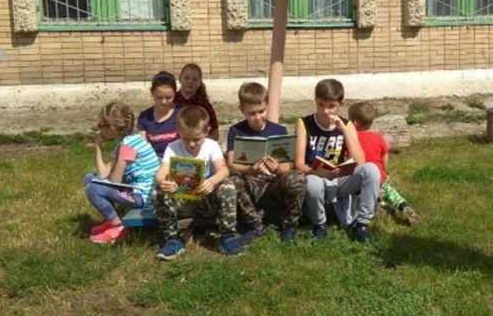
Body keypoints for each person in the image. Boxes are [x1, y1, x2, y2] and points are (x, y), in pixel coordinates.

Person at [153, 105, 249, 260]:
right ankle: (172, 239)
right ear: (178, 131)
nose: (191, 144)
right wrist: (164, 181)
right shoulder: (173, 147)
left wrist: (211, 181)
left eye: (196, 139)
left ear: (206, 131)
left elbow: (224, 170)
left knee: (227, 185)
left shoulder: (211, 145)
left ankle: (227, 236)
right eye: (186, 138)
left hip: (206, 200)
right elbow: (160, 173)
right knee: (158, 191)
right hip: (183, 201)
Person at [294, 78, 381, 242]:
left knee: (372, 170)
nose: (325, 111)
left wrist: (344, 130)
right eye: (321, 105)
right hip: (316, 175)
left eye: (331, 106)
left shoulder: (346, 125)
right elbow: (298, 163)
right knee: (313, 183)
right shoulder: (304, 123)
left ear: (340, 105)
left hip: (340, 177)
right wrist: (317, 172)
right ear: (315, 101)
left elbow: (360, 160)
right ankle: (319, 225)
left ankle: (362, 225)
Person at [226, 82, 306, 243]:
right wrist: (250, 170)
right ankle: (254, 225)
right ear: (241, 110)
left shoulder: (279, 130)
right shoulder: (236, 131)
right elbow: (231, 163)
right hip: (250, 182)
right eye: (252, 113)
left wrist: (277, 168)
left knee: (297, 178)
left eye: (261, 111)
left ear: (267, 105)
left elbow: (287, 166)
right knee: (233, 180)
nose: (258, 117)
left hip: (272, 183)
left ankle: (289, 226)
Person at [84, 101, 160, 244]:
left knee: (92, 189)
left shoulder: (128, 146)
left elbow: (115, 180)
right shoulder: (126, 142)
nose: (100, 129)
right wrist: (97, 146)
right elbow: (103, 174)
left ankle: (118, 226)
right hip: (136, 191)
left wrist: (103, 183)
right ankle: (111, 220)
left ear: (112, 127)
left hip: (144, 197)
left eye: (102, 125)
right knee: (89, 178)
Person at [348, 101, 421, 227]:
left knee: (366, 196)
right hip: (381, 178)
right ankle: (403, 205)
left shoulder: (351, 139)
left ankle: (381, 205)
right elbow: (384, 157)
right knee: (391, 192)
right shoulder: (378, 137)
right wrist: (384, 173)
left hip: (364, 181)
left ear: (354, 123)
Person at [137, 71, 180, 160]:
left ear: (175, 93)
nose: (164, 102)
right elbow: (143, 147)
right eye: (159, 97)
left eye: (168, 97)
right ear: (152, 93)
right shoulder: (145, 117)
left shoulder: (181, 114)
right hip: (154, 161)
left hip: (177, 160)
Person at [174, 62, 220, 142]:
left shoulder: (204, 105)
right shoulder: (172, 100)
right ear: (180, 79)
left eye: (194, 79)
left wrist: (198, 140)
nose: (190, 81)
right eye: (186, 78)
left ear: (199, 83)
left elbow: (215, 134)